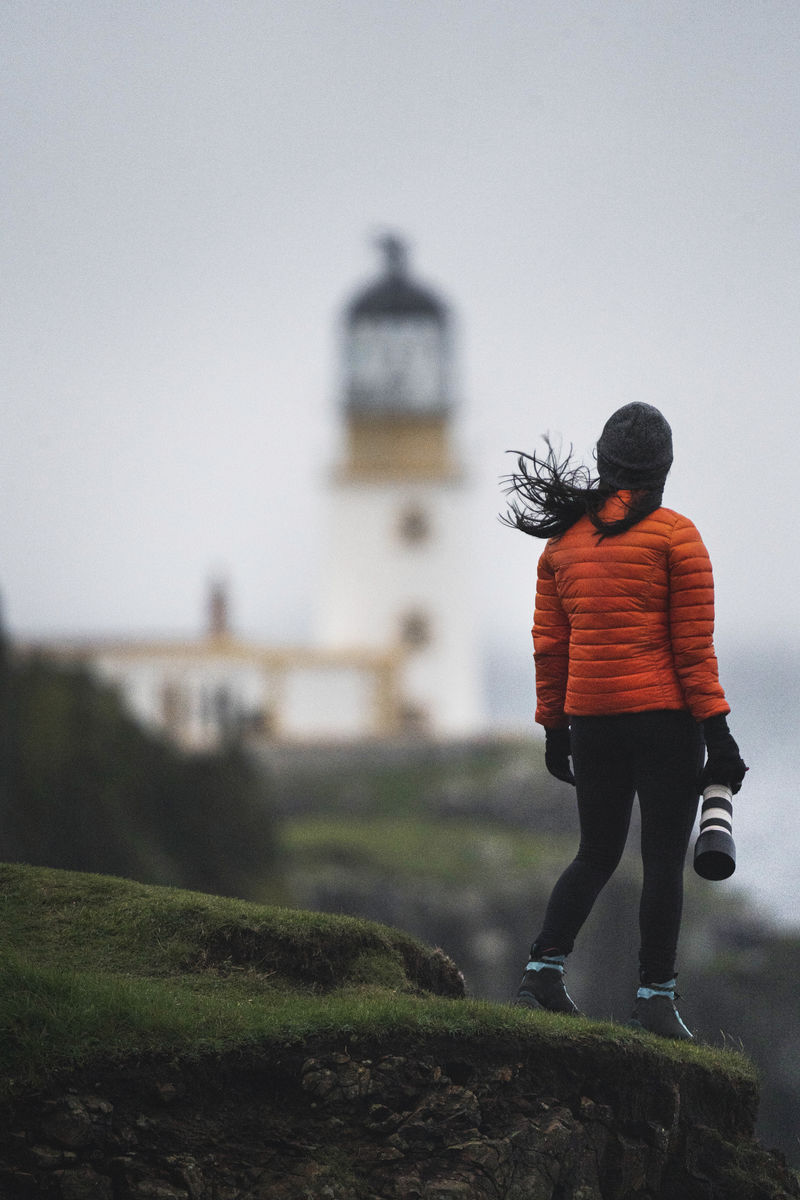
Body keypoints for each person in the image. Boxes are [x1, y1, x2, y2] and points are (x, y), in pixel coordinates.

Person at [503, 402, 747, 1040]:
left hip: (593, 721)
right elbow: (693, 651)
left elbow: (549, 646)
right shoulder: (676, 537)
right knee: (662, 862)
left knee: (595, 852)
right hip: (665, 723)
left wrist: (555, 728)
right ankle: (654, 1000)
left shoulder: (562, 544)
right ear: (663, 469)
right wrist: (718, 735)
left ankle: (541, 973)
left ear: (604, 463)